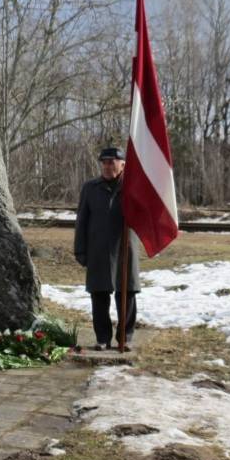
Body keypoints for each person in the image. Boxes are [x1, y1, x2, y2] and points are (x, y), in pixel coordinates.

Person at [74, 146, 140, 351]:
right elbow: (82, 220)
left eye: (111, 162)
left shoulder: (133, 187)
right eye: (104, 162)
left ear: (123, 165)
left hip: (125, 249)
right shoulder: (90, 188)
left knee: (127, 293)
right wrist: (80, 250)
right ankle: (102, 337)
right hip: (98, 250)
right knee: (99, 294)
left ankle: (125, 337)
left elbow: (145, 214)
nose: (106, 166)